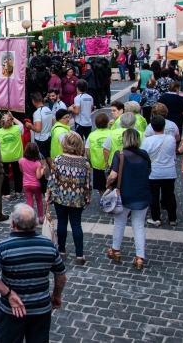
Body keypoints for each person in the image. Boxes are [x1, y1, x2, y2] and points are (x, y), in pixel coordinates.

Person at [0, 204, 66, 343]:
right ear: (34, 223)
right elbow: (61, 275)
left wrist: (10, 294)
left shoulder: (3, 248)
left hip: (11, 311)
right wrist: (56, 295)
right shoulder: (48, 245)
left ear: (12, 223)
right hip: (41, 308)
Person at [106, 129, 152, 269]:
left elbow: (113, 175)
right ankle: (140, 257)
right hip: (142, 193)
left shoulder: (120, 154)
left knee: (119, 223)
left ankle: (116, 250)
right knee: (139, 225)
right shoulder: (144, 154)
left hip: (124, 194)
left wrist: (108, 183)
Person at [47, 132, 91, 265]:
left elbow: (53, 180)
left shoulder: (58, 159)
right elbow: (87, 183)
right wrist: (87, 197)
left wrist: (48, 195)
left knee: (62, 223)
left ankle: (62, 251)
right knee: (76, 225)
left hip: (60, 197)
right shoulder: (84, 162)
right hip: (77, 198)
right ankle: (79, 254)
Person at [141, 116, 178, 227]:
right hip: (169, 171)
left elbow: (144, 155)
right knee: (170, 195)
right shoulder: (171, 139)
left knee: (154, 196)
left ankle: (156, 218)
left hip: (154, 172)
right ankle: (173, 218)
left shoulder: (147, 141)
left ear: (152, 127)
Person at [0, 112, 25, 199]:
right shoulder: (17, 129)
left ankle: (6, 193)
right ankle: (18, 192)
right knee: (18, 174)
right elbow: (21, 124)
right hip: (16, 156)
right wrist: (13, 117)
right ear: (11, 121)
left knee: (5, 175)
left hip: (4, 157)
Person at [18, 143, 45, 223]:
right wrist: (43, 170)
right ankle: (40, 217)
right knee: (39, 200)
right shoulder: (37, 163)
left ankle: (29, 218)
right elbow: (38, 176)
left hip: (26, 184)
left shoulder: (21, 160)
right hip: (36, 185)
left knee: (29, 201)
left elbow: (21, 170)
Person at [85, 113, 110, 195]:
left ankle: (104, 199)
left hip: (97, 164)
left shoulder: (92, 135)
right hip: (110, 164)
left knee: (100, 186)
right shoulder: (111, 133)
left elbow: (87, 150)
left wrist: (90, 161)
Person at [26, 92, 53, 163]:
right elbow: (54, 122)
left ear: (33, 101)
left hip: (41, 139)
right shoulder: (48, 110)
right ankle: (53, 172)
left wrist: (29, 125)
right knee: (48, 157)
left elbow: (38, 129)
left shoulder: (37, 113)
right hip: (49, 136)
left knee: (42, 161)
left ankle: (44, 174)